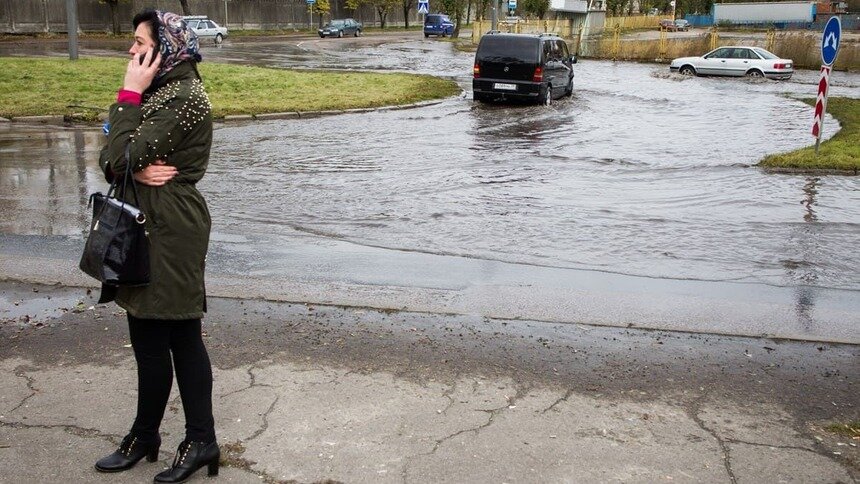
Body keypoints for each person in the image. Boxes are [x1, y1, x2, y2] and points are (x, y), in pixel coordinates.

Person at [93, 9, 219, 483]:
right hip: (145, 220)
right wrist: (128, 163)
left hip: (172, 228)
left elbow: (117, 150)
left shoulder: (183, 96)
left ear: (164, 48)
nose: (130, 50)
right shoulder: (160, 90)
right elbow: (111, 150)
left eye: (138, 42)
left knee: (181, 335)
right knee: (146, 337)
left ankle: (202, 440)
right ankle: (146, 435)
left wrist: (126, 105)